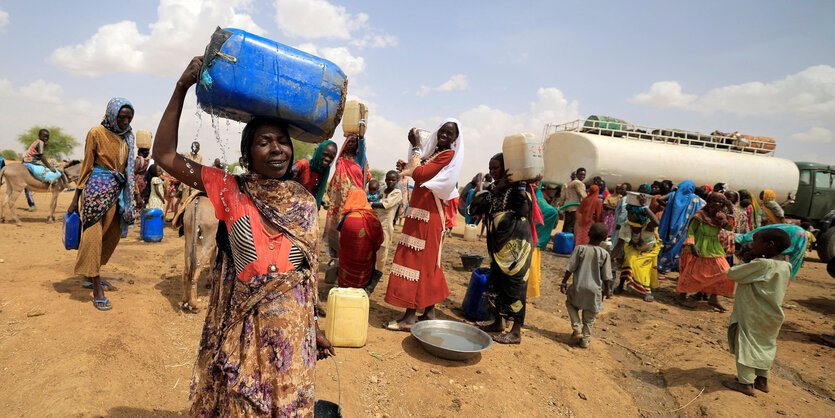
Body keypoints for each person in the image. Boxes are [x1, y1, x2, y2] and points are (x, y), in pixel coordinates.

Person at [153, 56, 333, 415]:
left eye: (282, 141)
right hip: (241, 332)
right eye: (264, 142)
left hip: (292, 338)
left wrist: (314, 325)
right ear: (248, 154)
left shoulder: (303, 202)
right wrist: (180, 88)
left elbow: (306, 275)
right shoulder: (230, 189)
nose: (276, 148)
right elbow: (165, 154)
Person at [385, 120, 463, 331]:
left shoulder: (448, 155)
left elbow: (421, 174)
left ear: (455, 139)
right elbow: (417, 172)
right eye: (442, 131)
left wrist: (416, 147)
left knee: (416, 263)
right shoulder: (434, 155)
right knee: (428, 264)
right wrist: (407, 166)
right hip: (420, 213)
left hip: (429, 216)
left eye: (449, 133)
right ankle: (429, 312)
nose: (444, 135)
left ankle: (410, 317)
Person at [67, 98, 137, 311]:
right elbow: (87, 165)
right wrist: (74, 199)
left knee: (111, 233)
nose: (125, 121)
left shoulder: (128, 137)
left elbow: (128, 169)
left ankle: (92, 271)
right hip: (95, 191)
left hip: (117, 192)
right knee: (93, 237)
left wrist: (133, 195)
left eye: (128, 117)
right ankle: (97, 286)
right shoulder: (96, 133)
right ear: (111, 114)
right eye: (121, 117)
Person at [470, 152, 536, 344]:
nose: (492, 171)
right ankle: (498, 322)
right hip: (497, 247)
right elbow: (476, 208)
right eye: (490, 168)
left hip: (516, 249)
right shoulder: (494, 187)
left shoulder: (521, 188)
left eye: (495, 168)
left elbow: (524, 212)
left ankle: (516, 331)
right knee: (496, 283)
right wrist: (498, 188)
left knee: (515, 287)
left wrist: (519, 188)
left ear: (507, 169)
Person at [722, 228, 792, 397]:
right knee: (765, 346)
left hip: (752, 315)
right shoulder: (786, 265)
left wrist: (745, 260)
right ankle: (762, 380)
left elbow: (732, 274)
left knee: (746, 345)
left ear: (769, 245)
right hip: (772, 316)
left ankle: (745, 383)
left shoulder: (761, 264)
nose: (752, 244)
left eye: (756, 241)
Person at [676, 192, 736, 311]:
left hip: (714, 247)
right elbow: (691, 231)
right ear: (709, 202)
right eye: (715, 201)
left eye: (721, 202)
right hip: (697, 246)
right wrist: (692, 245)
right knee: (691, 273)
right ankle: (681, 296)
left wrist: (730, 211)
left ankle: (713, 298)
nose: (718, 204)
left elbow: (729, 228)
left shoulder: (721, 217)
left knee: (724, 272)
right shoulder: (700, 215)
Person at [561, 223, 612, 348]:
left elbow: (570, 268)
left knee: (570, 304)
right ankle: (585, 339)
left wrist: (564, 282)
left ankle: (577, 328)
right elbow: (606, 276)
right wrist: (607, 290)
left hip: (578, 287)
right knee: (590, 316)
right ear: (605, 238)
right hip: (595, 291)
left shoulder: (580, 249)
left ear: (588, 234)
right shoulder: (605, 254)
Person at [325, 134, 369, 257]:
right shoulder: (341, 159)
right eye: (349, 142)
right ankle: (336, 255)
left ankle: (347, 254)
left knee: (350, 224)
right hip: (339, 200)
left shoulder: (359, 159)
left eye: (354, 142)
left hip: (353, 199)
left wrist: (361, 129)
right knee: (338, 223)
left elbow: (362, 143)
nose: (351, 144)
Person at [611, 195, 661, 302]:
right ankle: (621, 285)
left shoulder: (648, 224)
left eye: (631, 214)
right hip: (633, 247)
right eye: (628, 213)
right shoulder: (627, 225)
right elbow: (619, 245)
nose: (628, 215)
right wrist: (608, 259)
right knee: (629, 260)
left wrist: (644, 206)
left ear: (638, 215)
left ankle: (646, 291)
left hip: (649, 250)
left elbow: (657, 222)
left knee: (641, 267)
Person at [337, 190, 385, 290]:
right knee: (362, 279)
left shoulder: (347, 217)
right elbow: (379, 239)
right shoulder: (373, 218)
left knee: (346, 278)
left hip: (347, 258)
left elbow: (339, 233)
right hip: (365, 259)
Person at [657, 180, 705, 272]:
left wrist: (669, 206)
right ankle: (673, 265)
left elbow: (659, 199)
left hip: (670, 223)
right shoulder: (696, 199)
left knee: (666, 242)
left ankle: (661, 264)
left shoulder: (674, 195)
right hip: (684, 227)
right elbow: (703, 208)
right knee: (678, 246)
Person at [736, 224, 809, 280]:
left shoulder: (749, 240)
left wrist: (745, 260)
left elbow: (734, 274)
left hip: (795, 236)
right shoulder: (785, 266)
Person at [529, 179, 559, 298]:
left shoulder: (539, 199)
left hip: (531, 242)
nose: (534, 185)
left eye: (537, 183)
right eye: (533, 183)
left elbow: (551, 212)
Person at [372, 170, 403, 277]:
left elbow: (386, 204)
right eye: (388, 179)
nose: (390, 182)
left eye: (393, 180)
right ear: (385, 180)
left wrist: (371, 203)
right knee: (372, 248)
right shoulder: (382, 191)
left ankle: (379, 272)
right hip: (375, 223)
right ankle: (371, 271)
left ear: (397, 181)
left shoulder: (397, 193)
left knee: (382, 249)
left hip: (386, 225)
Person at [293, 140, 336, 210]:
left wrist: (321, 201)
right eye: (325, 154)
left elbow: (314, 193)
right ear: (319, 152)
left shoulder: (323, 173)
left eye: (331, 157)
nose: (328, 159)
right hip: (292, 208)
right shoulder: (301, 165)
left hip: (309, 212)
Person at [561, 167, 587, 233]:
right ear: (577, 175)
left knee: (567, 226)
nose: (582, 176)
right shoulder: (579, 183)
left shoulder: (568, 184)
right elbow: (584, 196)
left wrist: (562, 207)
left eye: (584, 175)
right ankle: (569, 242)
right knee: (572, 227)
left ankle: (563, 241)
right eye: (581, 174)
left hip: (568, 208)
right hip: (575, 208)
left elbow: (562, 197)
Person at [611, 182, 632, 260]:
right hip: (620, 223)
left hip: (621, 224)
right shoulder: (623, 198)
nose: (621, 190)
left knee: (618, 241)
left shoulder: (625, 199)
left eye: (623, 189)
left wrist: (620, 223)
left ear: (628, 190)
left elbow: (624, 212)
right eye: (620, 189)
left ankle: (619, 257)